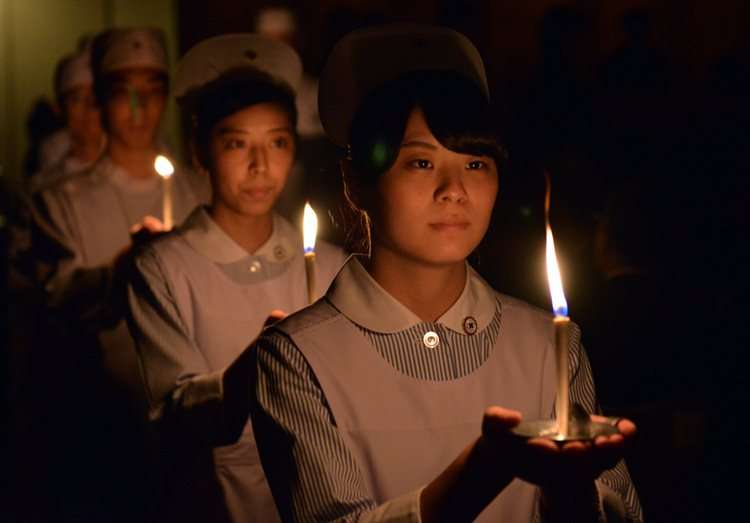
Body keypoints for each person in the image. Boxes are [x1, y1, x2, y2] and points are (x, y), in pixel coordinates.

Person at [250, 25, 643, 522]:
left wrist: (570, 490)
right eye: (420, 162)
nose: (453, 190)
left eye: (476, 164)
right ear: (355, 183)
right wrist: (480, 473)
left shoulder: (547, 344)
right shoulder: (297, 357)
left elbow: (623, 509)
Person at [126, 34, 346, 523]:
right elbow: (177, 412)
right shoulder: (163, 268)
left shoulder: (333, 266)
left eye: (277, 143)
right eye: (236, 144)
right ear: (200, 152)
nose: (260, 167)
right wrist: (262, 361)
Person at [28, 27, 207, 522]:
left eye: (151, 91)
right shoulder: (61, 202)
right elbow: (53, 302)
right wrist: (125, 266)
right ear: (101, 101)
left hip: (191, 416)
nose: (138, 106)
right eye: (123, 91)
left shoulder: (198, 192)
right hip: (101, 417)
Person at [29, 45, 106, 192]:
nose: (89, 107)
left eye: (96, 98)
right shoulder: (46, 186)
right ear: (60, 108)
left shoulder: (131, 173)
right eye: (76, 99)